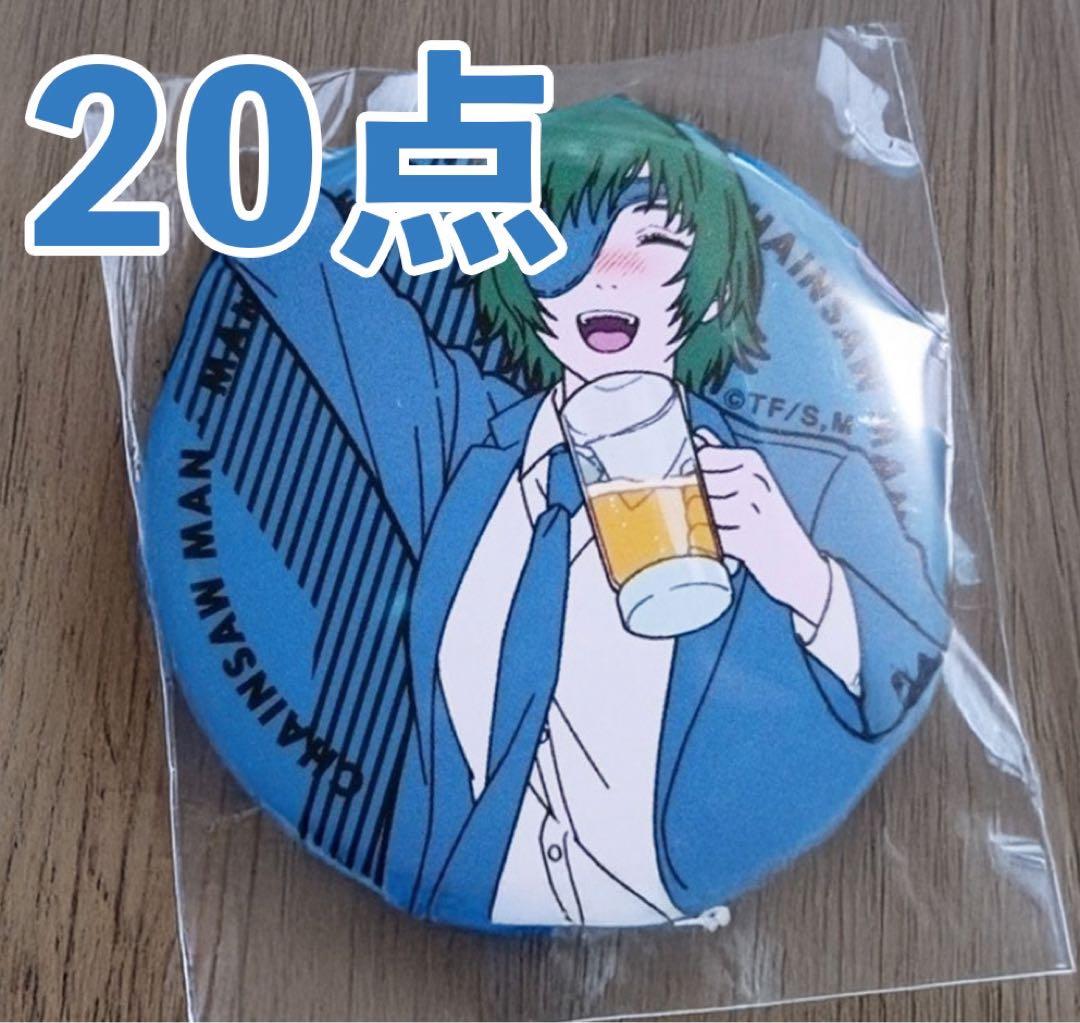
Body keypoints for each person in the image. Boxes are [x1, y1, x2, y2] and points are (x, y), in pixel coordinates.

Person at [227, 97, 950, 930]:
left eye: (649, 242)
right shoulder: (465, 448)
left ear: (713, 295)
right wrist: (351, 162)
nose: (603, 275)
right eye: (560, 243)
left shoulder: (811, 487)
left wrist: (808, 580)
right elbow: (317, 284)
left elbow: (905, 666)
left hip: (688, 902)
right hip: (441, 889)